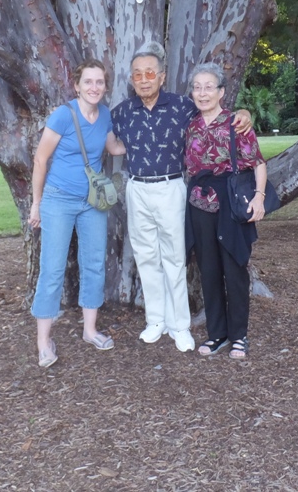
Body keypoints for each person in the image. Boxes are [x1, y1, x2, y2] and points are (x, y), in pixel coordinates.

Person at [111, 45, 251, 353]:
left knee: (174, 257)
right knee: (146, 257)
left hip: (171, 187)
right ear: (132, 79)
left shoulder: (182, 106)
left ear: (161, 77)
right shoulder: (121, 112)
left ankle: (180, 326)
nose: (144, 79)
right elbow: (110, 141)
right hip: (137, 189)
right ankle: (155, 321)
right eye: (138, 74)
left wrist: (244, 113)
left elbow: (216, 113)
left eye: (150, 73)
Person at [28, 59, 126, 368]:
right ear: (77, 86)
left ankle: (90, 330)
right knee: (53, 268)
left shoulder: (105, 115)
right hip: (58, 200)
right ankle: (44, 342)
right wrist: (36, 203)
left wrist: (149, 138)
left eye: (99, 82)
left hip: (92, 203)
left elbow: (113, 148)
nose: (94, 87)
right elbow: (41, 160)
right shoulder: (64, 115)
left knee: (94, 264)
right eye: (88, 82)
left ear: (105, 86)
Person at [184, 62, 267, 360]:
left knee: (234, 268)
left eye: (209, 87)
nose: (202, 93)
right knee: (208, 270)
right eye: (197, 87)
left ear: (221, 91)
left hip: (231, 203)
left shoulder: (236, 123)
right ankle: (217, 334)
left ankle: (239, 337)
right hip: (199, 204)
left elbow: (257, 162)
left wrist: (258, 198)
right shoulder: (191, 124)